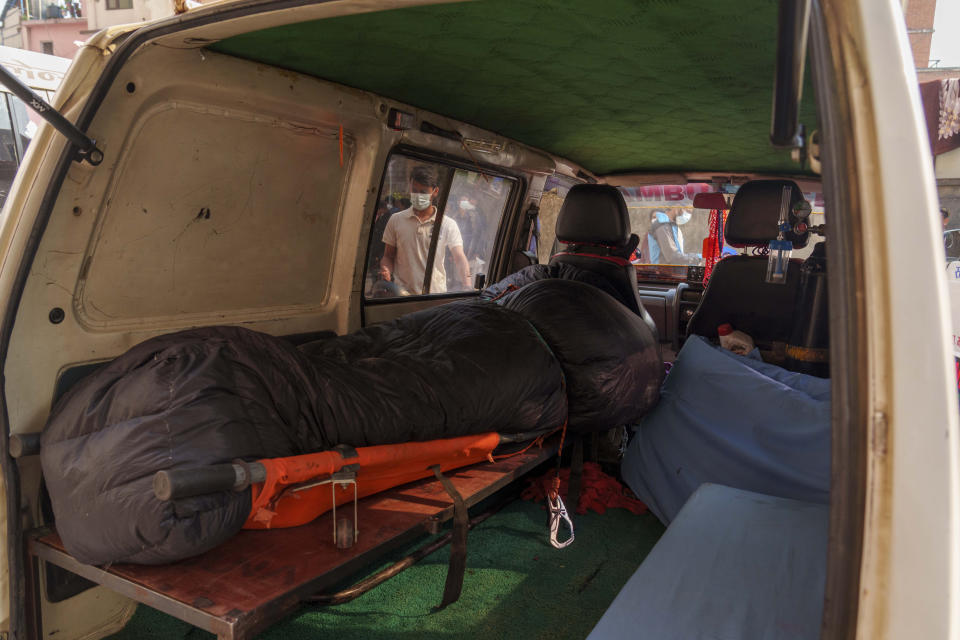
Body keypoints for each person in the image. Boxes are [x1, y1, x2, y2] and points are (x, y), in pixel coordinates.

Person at [379, 165, 471, 295]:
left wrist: (467, 285)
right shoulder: (396, 220)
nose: (418, 195)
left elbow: (459, 257)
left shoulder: (447, 224)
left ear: (435, 191)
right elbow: (388, 256)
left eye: (423, 192)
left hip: (434, 297)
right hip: (401, 295)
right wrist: (386, 269)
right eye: (414, 190)